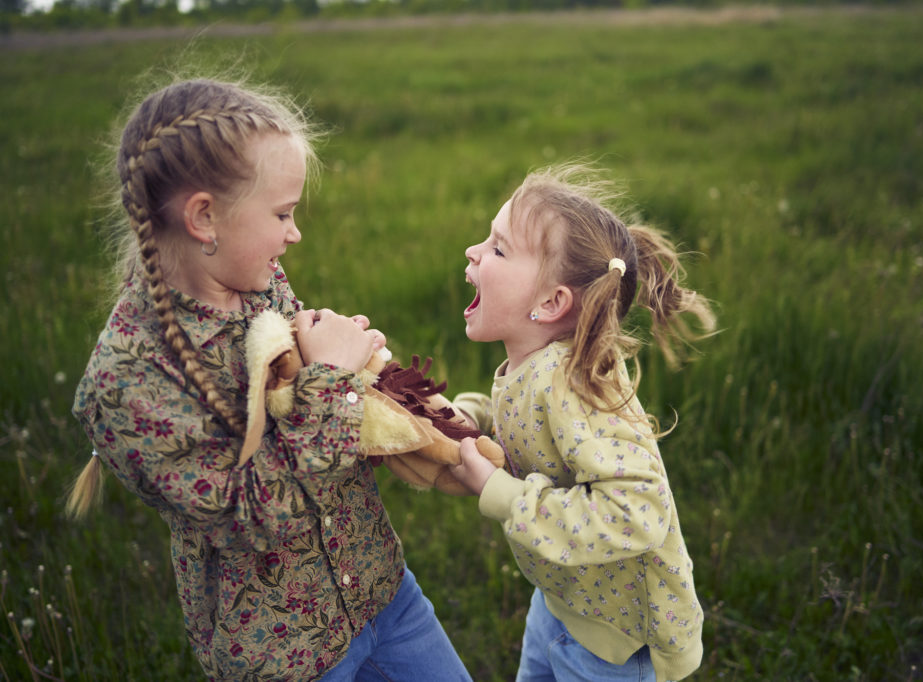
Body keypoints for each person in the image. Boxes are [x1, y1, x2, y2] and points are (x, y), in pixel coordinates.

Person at [66, 77, 471, 681]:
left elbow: (298, 402)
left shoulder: (263, 282)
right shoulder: (127, 383)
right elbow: (248, 516)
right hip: (285, 657)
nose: (294, 233)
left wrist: (383, 396)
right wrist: (332, 378)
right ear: (205, 217)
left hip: (384, 593)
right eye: (282, 213)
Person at [448, 163, 717, 682]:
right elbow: (526, 425)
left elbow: (639, 509)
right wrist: (469, 418)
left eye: (498, 249)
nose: (474, 252)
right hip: (561, 602)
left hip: (614, 644)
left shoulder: (575, 385)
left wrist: (504, 495)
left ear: (551, 303)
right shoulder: (535, 363)